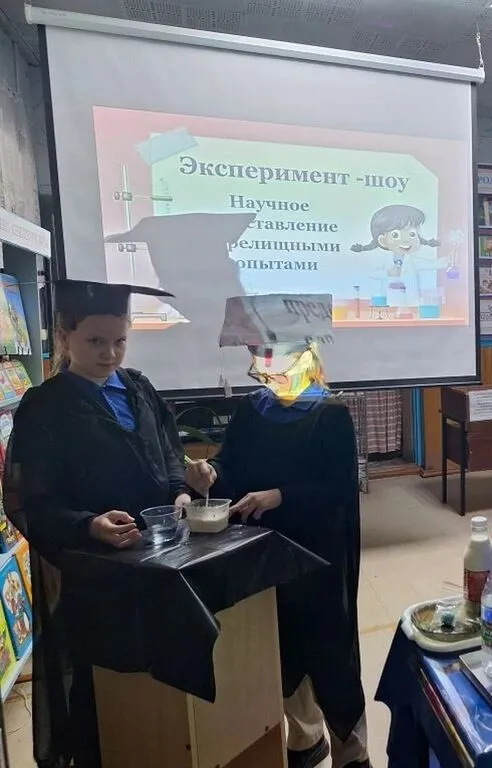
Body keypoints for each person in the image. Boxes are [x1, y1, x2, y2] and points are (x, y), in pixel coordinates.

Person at [2, 280, 188, 768]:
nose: (110, 354)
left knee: (164, 683)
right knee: (104, 691)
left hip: (162, 558)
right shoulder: (44, 406)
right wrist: (89, 525)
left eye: (120, 341)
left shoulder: (139, 387)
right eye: (95, 342)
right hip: (98, 574)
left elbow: (169, 452)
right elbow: (30, 499)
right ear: (65, 336)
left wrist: (180, 491)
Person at [185, 293, 369, 768]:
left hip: (319, 554)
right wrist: (211, 473)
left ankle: (351, 749)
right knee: (282, 646)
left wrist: (280, 496)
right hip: (265, 551)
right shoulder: (253, 410)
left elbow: (337, 489)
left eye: (275, 353)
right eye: (258, 353)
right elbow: (233, 464)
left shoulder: (329, 413)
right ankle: (305, 739)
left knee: (329, 652)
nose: (265, 363)